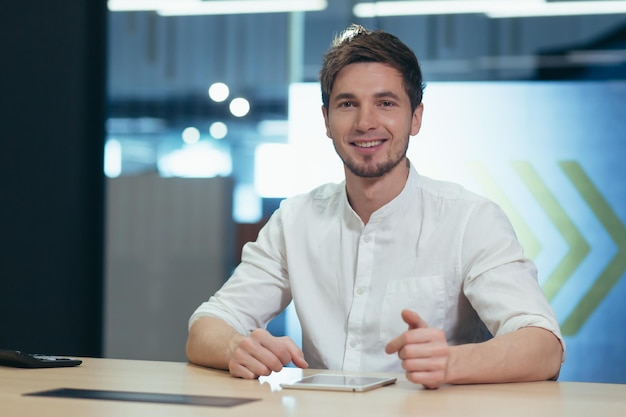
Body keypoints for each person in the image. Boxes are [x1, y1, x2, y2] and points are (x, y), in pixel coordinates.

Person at [186, 24, 564, 389]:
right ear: (326, 120)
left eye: (386, 103)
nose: (366, 122)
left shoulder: (469, 219)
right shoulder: (294, 220)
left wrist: (452, 363)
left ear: (415, 117)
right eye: (348, 104)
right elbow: (208, 324)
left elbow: (544, 346)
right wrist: (236, 347)